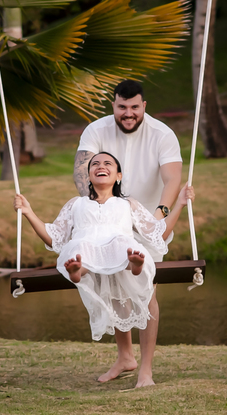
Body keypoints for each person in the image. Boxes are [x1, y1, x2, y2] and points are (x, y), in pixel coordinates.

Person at [14, 151, 194, 387]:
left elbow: (157, 232)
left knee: (125, 245)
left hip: (121, 250)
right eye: (95, 164)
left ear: (118, 175)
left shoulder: (127, 204)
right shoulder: (76, 204)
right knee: (76, 248)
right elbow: (53, 238)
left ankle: (133, 266)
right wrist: (28, 212)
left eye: (108, 163)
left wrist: (180, 203)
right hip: (87, 251)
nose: (101, 166)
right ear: (89, 176)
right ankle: (79, 271)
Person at [74, 80, 183, 385]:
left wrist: (159, 213)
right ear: (114, 106)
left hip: (147, 219)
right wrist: (101, 205)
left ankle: (145, 369)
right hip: (109, 220)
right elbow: (82, 171)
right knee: (114, 288)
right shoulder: (96, 130)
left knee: (145, 291)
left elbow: (172, 178)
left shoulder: (162, 134)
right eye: (122, 107)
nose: (128, 113)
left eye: (134, 107)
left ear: (143, 106)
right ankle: (125, 357)